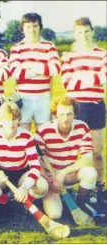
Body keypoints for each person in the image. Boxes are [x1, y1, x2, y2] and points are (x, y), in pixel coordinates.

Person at [61, 17, 106, 206]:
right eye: (80, 32)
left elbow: (103, 79)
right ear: (74, 34)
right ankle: (71, 186)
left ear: (92, 32)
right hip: (76, 106)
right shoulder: (68, 56)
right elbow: (66, 82)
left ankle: (99, 188)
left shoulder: (102, 54)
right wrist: (90, 76)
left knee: (96, 152)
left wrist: (80, 76)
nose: (84, 35)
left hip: (95, 105)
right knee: (72, 150)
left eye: (87, 31)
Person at [35, 96, 100, 219]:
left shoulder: (82, 127)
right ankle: (44, 198)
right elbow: (36, 161)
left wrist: (63, 173)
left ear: (75, 114)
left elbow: (87, 159)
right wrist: (50, 179)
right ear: (55, 114)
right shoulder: (43, 130)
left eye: (69, 114)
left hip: (69, 174)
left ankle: (80, 204)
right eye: (62, 114)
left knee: (90, 173)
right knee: (55, 215)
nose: (65, 118)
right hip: (50, 177)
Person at [0, 102, 48, 206]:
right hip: (2, 174)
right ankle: (5, 201)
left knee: (42, 186)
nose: (11, 123)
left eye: (14, 119)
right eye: (7, 120)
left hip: (22, 173)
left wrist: (25, 186)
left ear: (18, 120)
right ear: (0, 122)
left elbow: (35, 167)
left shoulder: (27, 136)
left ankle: (26, 201)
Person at [9, 13, 60, 131]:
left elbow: (55, 69)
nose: (32, 30)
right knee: (22, 135)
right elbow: (16, 73)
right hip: (23, 98)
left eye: (35, 26)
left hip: (44, 98)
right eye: (28, 27)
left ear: (40, 27)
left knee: (43, 135)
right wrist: (42, 70)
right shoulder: (17, 47)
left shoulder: (49, 46)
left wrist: (29, 65)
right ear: (22, 28)